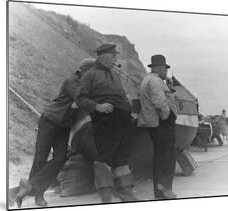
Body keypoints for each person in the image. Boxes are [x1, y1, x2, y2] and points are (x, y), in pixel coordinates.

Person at [15, 58, 96, 208]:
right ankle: (38, 195)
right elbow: (81, 98)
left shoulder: (85, 84)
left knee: (60, 158)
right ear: (84, 71)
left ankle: (30, 185)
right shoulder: (71, 81)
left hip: (64, 125)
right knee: (41, 157)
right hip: (50, 120)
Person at [75, 43, 137, 203]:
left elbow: (121, 94)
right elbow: (80, 99)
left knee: (122, 157)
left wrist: (127, 104)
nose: (116, 58)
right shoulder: (90, 75)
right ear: (103, 56)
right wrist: (98, 106)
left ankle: (125, 192)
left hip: (122, 120)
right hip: (105, 121)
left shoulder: (114, 74)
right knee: (104, 157)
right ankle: (106, 195)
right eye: (113, 55)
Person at [138, 54, 178, 199]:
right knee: (167, 156)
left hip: (156, 124)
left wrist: (169, 89)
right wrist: (167, 116)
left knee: (161, 156)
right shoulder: (155, 81)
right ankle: (164, 187)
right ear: (159, 68)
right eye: (165, 69)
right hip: (162, 124)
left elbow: (162, 97)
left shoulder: (149, 80)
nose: (166, 72)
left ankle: (160, 192)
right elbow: (159, 102)